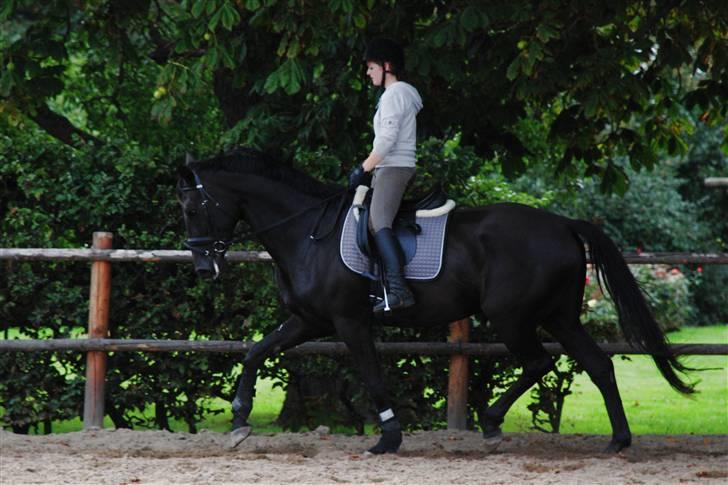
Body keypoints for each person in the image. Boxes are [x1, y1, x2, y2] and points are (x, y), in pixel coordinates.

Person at [349, 38, 423, 313]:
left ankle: (398, 291)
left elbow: (387, 140)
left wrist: (363, 168)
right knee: (370, 221)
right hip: (389, 165)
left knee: (379, 220)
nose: (368, 73)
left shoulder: (395, 94)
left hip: (393, 166)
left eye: (371, 67)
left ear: (387, 66)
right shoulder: (394, 95)